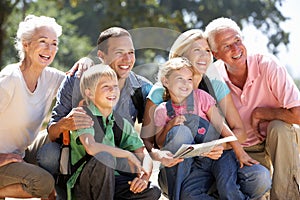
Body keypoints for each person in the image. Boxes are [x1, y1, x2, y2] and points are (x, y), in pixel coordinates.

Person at [141, 29, 271, 199]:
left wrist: (219, 146)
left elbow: (238, 131)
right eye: (197, 50)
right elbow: (147, 141)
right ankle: (183, 194)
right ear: (182, 54)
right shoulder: (161, 93)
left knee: (259, 178)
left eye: (208, 51)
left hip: (215, 161)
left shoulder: (210, 90)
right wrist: (160, 154)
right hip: (180, 171)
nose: (204, 56)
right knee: (180, 132)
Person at [38, 27, 153, 199]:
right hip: (80, 163)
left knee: (151, 191)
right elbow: (53, 132)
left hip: (117, 162)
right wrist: (66, 123)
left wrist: (144, 174)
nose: (127, 59)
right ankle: (60, 193)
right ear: (101, 56)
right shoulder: (77, 79)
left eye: (131, 52)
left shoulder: (142, 88)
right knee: (49, 155)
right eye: (119, 52)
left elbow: (148, 142)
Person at [205, 17, 300, 199]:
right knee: (260, 183)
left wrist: (263, 113)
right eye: (226, 46)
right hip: (244, 148)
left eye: (237, 41)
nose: (236, 49)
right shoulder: (214, 78)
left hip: (281, 140)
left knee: (279, 128)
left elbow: (298, 114)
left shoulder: (267, 65)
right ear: (215, 54)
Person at [154, 57, 251, 199]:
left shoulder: (201, 97)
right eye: (180, 78)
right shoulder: (162, 110)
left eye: (189, 79)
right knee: (188, 195)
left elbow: (221, 126)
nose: (186, 84)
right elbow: (161, 143)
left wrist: (239, 151)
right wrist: (170, 125)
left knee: (227, 188)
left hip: (220, 156)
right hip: (196, 166)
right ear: (166, 81)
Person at [65, 64, 160, 199]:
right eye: (105, 87)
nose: (113, 90)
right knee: (104, 158)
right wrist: (127, 154)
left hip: (113, 184)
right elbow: (91, 147)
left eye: (115, 86)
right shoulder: (83, 114)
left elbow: (144, 154)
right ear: (89, 93)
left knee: (152, 191)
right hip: (85, 185)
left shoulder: (119, 122)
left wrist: (144, 178)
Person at [0, 15, 65, 199]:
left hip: (20, 153)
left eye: (54, 43)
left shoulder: (51, 77)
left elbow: (77, 83)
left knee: (56, 138)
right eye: (43, 41)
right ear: (26, 44)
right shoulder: (10, 78)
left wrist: (85, 62)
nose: (49, 49)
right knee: (43, 183)